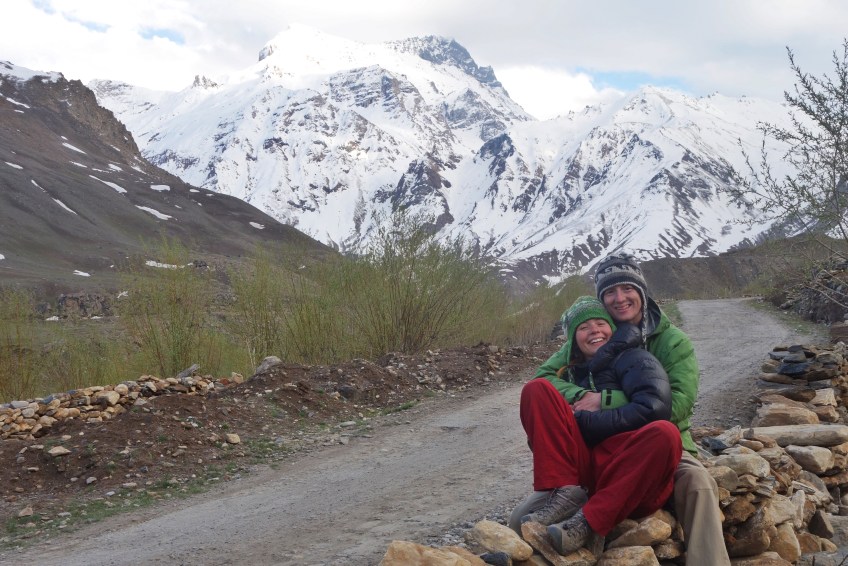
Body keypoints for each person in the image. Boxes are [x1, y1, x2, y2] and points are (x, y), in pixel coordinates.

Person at [543, 253, 731, 565]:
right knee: (527, 512)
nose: (620, 299)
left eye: (627, 288)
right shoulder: (596, 331)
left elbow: (679, 403)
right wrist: (581, 395)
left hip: (662, 442)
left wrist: (605, 402)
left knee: (698, 485)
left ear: (641, 291)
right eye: (610, 292)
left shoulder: (672, 341)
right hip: (601, 442)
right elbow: (544, 377)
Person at [509, 296, 682, 556]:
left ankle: (587, 524)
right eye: (583, 327)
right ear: (573, 339)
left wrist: (589, 415)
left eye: (601, 323)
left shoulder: (635, 358)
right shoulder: (571, 373)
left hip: (631, 474)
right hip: (587, 473)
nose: (594, 331)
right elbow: (543, 390)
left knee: (665, 433)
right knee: (536, 390)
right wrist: (571, 408)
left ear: (612, 328)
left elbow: (654, 407)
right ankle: (564, 494)